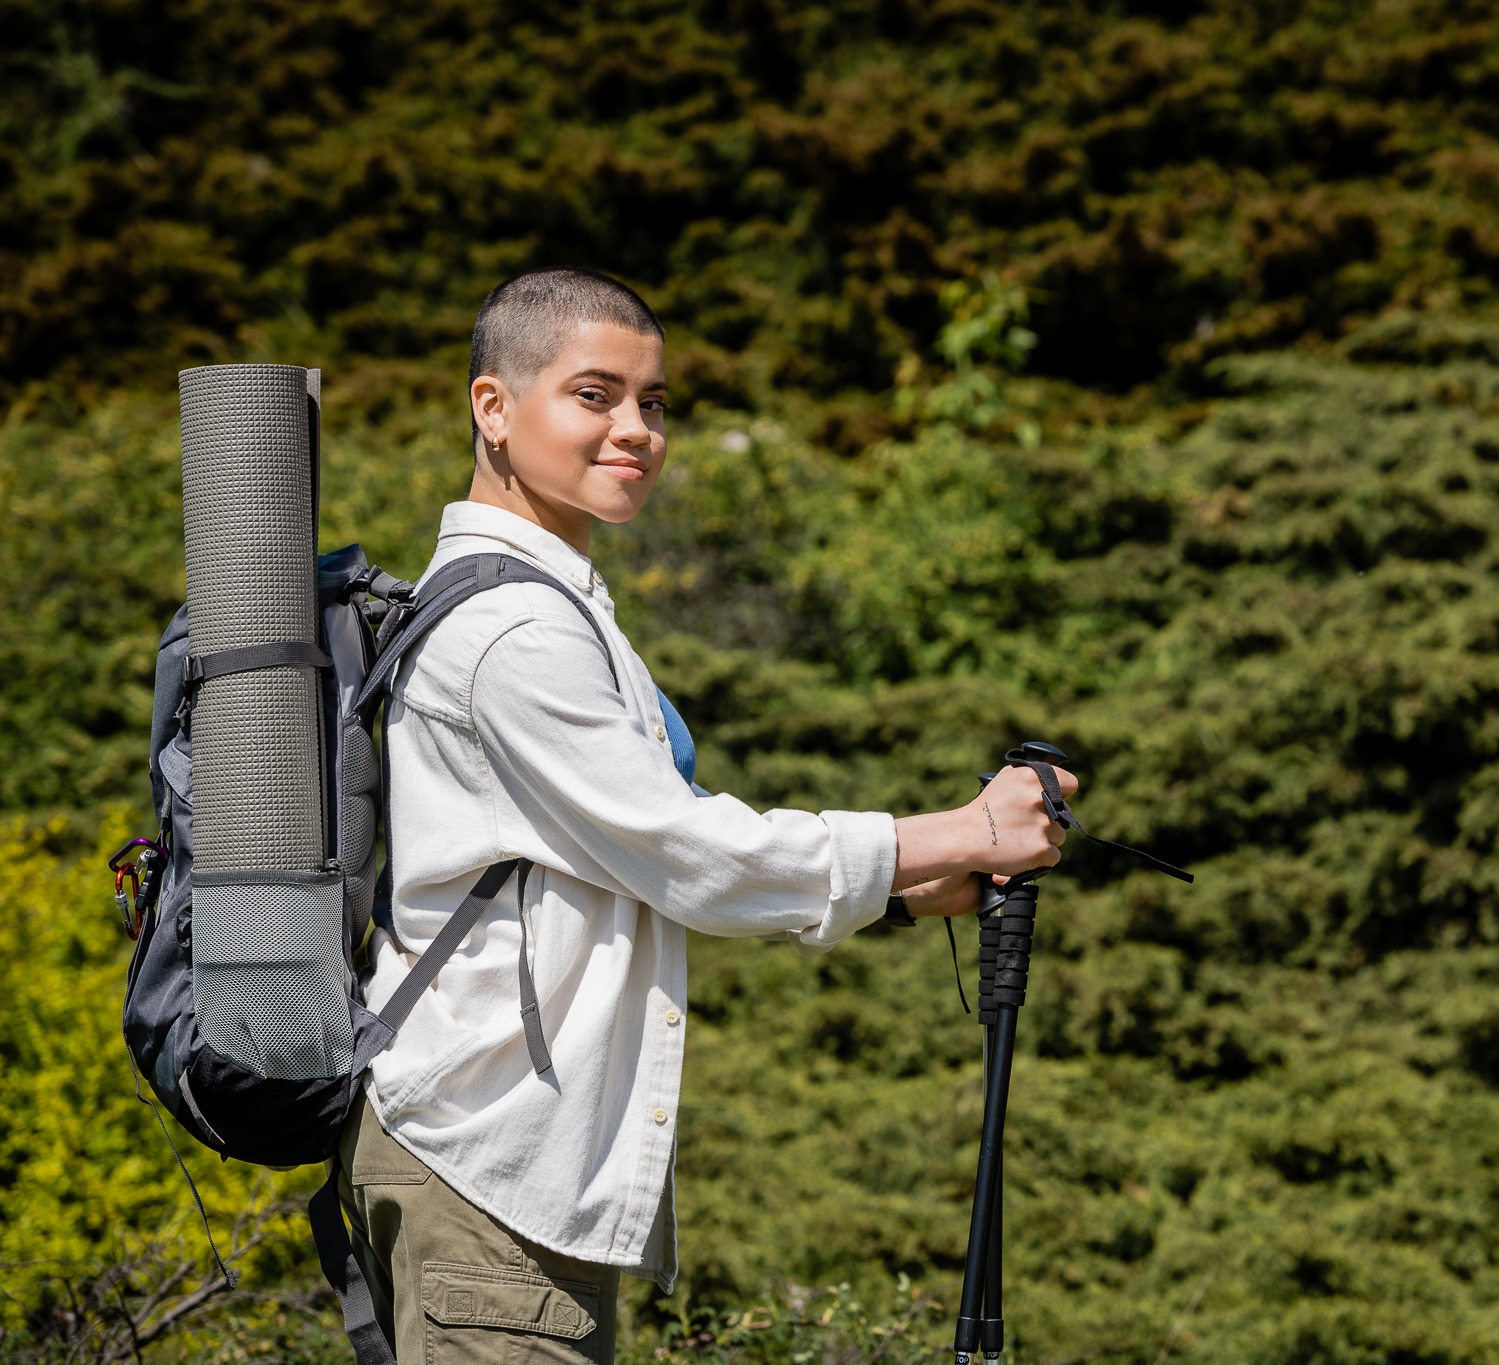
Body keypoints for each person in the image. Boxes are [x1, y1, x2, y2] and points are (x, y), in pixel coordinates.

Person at [338, 267, 1074, 1364]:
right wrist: (962, 831)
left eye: (654, 402)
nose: (635, 429)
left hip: (492, 1163)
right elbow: (692, 857)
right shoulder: (514, 636)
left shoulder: (551, 608)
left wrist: (903, 896)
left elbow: (633, 876)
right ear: (492, 407)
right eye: (595, 395)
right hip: (485, 1165)